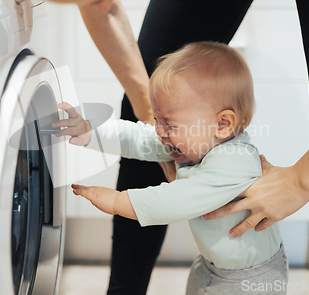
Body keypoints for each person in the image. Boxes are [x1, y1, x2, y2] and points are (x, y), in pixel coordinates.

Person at [0, 0, 309, 294]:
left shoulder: (232, 161)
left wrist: (300, 181)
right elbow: (142, 129)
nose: (102, 4)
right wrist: (153, 122)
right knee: (152, 108)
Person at [53, 41, 288, 295]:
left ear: (222, 124)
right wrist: (90, 130)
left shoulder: (236, 162)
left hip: (251, 282)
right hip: (213, 266)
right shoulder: (194, 141)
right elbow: (137, 137)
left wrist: (117, 201)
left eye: (170, 124)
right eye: (157, 119)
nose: (159, 131)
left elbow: (177, 199)